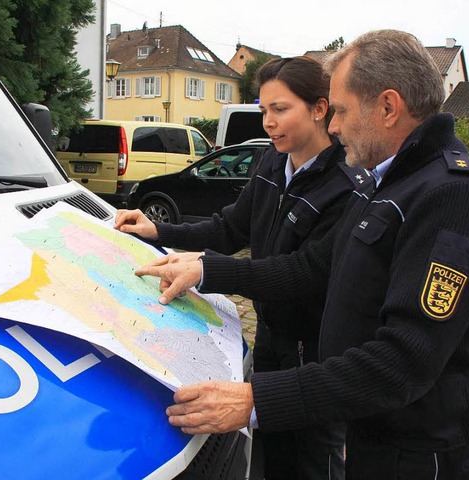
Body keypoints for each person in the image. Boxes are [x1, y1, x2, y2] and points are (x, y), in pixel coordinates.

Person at [136, 29, 469, 479]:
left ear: (388, 108)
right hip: (369, 423)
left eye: (342, 111)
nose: (334, 127)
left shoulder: (447, 195)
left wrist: (258, 400)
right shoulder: (387, 181)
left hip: (416, 450)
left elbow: (404, 360)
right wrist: (205, 268)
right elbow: (313, 267)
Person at [115, 56, 369, 479]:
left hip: (315, 357)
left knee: (310, 463)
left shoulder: (347, 185)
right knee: (267, 459)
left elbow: (302, 273)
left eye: (281, 109)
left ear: (320, 108)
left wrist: (208, 270)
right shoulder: (272, 161)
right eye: (263, 110)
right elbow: (230, 228)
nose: (269, 122)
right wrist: (157, 229)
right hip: (269, 341)